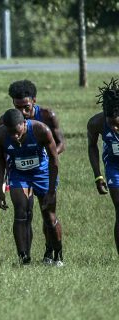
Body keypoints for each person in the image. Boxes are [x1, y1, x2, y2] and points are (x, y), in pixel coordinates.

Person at [0, 109, 63, 266]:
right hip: (19, 174)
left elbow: (53, 159)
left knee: (48, 215)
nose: (14, 136)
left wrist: (51, 190)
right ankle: (23, 257)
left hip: (42, 172)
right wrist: (0, 189)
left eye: (17, 132)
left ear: (24, 123)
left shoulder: (40, 130)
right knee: (21, 212)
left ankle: (58, 253)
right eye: (10, 133)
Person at [7, 79, 66, 264]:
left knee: (47, 213)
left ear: (34, 100)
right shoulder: (9, 121)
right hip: (21, 171)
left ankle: (51, 250)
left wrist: (48, 155)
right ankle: (25, 256)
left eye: (26, 107)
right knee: (24, 211)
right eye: (18, 107)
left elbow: (61, 143)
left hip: (43, 167)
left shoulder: (47, 116)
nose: (23, 113)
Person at [87, 77, 119, 255]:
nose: (113, 128)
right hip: (115, 167)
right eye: (110, 123)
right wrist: (98, 176)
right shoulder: (96, 123)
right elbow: (92, 146)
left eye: (117, 123)